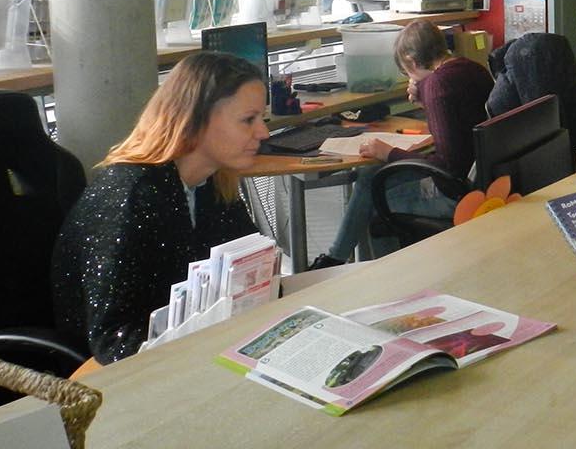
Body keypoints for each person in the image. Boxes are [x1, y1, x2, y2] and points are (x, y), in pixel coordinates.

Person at [53, 52, 270, 364]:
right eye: (248, 120)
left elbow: (250, 271)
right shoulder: (131, 194)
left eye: (262, 119)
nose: (263, 133)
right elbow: (112, 340)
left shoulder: (214, 182)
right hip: (111, 372)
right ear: (195, 119)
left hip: (195, 345)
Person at [310, 21, 493, 268]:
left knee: (376, 200)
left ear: (411, 61)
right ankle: (335, 258)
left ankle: (385, 274)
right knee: (370, 175)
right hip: (482, 177)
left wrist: (389, 153)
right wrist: (424, 99)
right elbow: (457, 127)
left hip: (456, 193)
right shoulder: (472, 68)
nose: (410, 79)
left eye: (407, 73)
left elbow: (447, 165)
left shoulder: (437, 85)